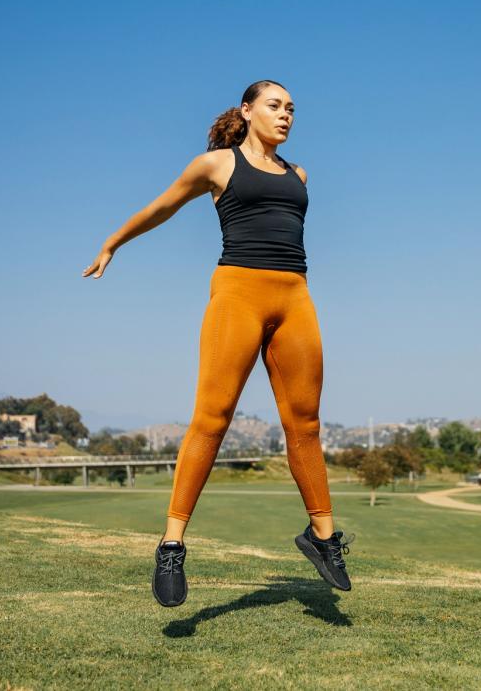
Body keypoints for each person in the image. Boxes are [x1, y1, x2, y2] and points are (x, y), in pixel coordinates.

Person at [82, 80, 353, 607]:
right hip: (237, 293)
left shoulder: (299, 175)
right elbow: (161, 208)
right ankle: (171, 543)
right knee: (213, 416)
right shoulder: (217, 165)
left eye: (292, 109)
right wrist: (113, 242)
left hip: (295, 296)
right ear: (248, 111)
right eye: (275, 106)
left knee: (306, 422)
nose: (286, 115)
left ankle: (322, 538)